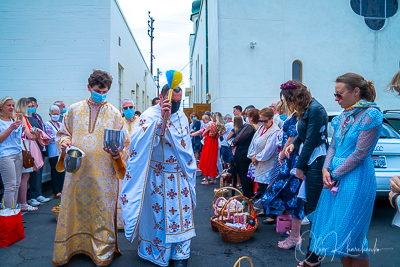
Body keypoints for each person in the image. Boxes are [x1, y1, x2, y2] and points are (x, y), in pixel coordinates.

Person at [52, 70, 129, 266]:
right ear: (89, 88)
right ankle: (72, 247)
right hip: (77, 171)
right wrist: (64, 143)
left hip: (104, 176)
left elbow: (125, 145)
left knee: (101, 211)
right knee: (75, 209)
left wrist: (115, 154)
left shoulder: (115, 114)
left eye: (104, 92)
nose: (101, 95)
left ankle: (102, 251)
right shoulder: (74, 109)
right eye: (97, 91)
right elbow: (63, 132)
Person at [305, 73, 382, 267]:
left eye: (339, 95)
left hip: (356, 178)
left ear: (356, 91)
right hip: (335, 176)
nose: (336, 99)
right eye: (335, 94)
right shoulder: (342, 117)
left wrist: (334, 174)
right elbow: (333, 147)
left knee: (352, 235)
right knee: (340, 233)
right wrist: (325, 170)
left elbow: (360, 153)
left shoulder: (371, 114)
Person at [121, 83, 197, 267]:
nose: (177, 106)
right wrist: (160, 122)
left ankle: (181, 254)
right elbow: (139, 146)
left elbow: (185, 146)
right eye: (173, 102)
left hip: (180, 175)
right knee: (160, 216)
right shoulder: (149, 116)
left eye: (180, 102)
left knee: (182, 215)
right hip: (158, 177)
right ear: (162, 97)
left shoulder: (182, 116)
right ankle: (159, 253)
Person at [247, 108, 280, 199]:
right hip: (259, 160)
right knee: (261, 185)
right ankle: (262, 203)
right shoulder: (262, 127)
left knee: (266, 186)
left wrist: (257, 157)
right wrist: (253, 155)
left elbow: (269, 150)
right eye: (260, 121)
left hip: (268, 163)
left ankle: (266, 209)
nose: (262, 123)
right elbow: (254, 141)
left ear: (271, 118)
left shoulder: (275, 131)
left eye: (265, 121)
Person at [117, 98, 140, 229]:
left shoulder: (141, 122)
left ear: (134, 107)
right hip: (123, 160)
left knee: (136, 191)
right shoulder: (119, 122)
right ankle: (122, 222)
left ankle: (136, 221)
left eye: (130, 107)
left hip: (137, 161)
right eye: (125, 108)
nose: (128, 110)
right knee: (123, 191)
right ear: (122, 110)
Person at [15, 98, 39, 211]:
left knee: (20, 177)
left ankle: (19, 202)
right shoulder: (22, 117)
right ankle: (23, 203)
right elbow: (29, 136)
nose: (30, 108)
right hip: (23, 148)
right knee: (25, 177)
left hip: (19, 148)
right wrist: (36, 135)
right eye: (29, 106)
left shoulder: (16, 116)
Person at [0, 97, 24, 209]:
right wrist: (11, 128)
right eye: (8, 105)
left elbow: (17, 138)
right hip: (6, 155)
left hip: (17, 153)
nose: (11, 108)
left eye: (13, 105)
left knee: (17, 184)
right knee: (10, 186)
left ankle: (14, 212)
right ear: (1, 107)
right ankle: (9, 214)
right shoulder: (3, 122)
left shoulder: (13, 120)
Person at [26, 97, 50, 207]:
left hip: (41, 147)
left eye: (33, 106)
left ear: (36, 106)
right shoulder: (26, 118)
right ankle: (32, 196)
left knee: (39, 172)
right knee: (33, 173)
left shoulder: (37, 116)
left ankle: (38, 193)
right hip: (32, 148)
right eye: (29, 106)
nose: (31, 108)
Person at [230, 109, 259, 198]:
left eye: (246, 115)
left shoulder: (249, 127)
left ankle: (247, 196)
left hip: (242, 153)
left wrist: (232, 143)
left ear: (251, 118)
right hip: (250, 152)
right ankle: (250, 194)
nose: (245, 117)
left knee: (244, 175)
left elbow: (237, 139)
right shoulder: (259, 127)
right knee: (248, 175)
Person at [192, 112, 226, 185]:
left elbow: (203, 134)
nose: (211, 118)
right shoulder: (220, 126)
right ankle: (213, 179)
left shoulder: (211, 125)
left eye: (213, 117)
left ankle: (206, 180)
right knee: (213, 160)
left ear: (214, 118)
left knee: (206, 160)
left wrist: (204, 130)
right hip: (215, 143)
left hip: (208, 142)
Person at [44, 105, 65, 199]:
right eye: (54, 114)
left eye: (57, 114)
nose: (56, 115)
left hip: (61, 151)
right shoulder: (47, 124)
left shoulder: (61, 124)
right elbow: (50, 138)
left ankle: (62, 189)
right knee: (55, 171)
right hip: (53, 151)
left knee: (62, 171)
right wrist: (60, 138)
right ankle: (56, 191)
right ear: (50, 114)